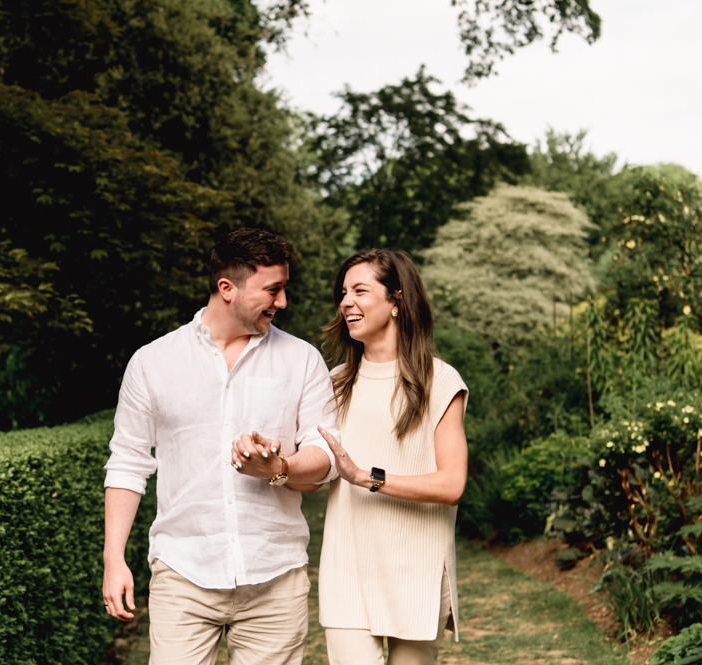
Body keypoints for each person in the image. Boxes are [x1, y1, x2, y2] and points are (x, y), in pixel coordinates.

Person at [101, 227, 339, 665]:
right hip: (183, 574)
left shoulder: (302, 359)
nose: (282, 302)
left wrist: (278, 467)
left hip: (276, 577)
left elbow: (325, 459)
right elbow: (128, 464)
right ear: (227, 288)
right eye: (273, 289)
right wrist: (113, 559)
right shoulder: (153, 362)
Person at [316, 249, 469, 665]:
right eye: (343, 292)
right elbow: (310, 467)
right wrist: (275, 466)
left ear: (397, 301)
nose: (346, 301)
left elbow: (452, 484)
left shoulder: (440, 381)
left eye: (360, 290)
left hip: (415, 571)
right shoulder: (331, 384)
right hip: (346, 570)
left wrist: (368, 478)